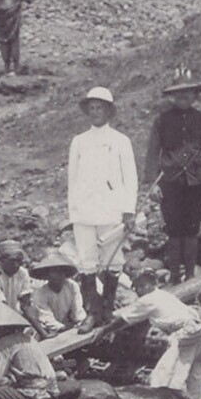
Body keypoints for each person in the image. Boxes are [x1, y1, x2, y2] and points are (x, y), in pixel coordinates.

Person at [67, 86, 140, 324]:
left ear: (109, 111)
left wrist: (128, 211)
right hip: (84, 211)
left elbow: (130, 178)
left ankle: (107, 309)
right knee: (87, 261)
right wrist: (74, 212)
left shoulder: (120, 141)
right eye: (92, 108)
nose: (95, 112)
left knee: (113, 259)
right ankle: (92, 313)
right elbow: (72, 180)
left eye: (100, 108)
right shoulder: (79, 141)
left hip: (111, 210)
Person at [147, 68, 201, 283]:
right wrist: (153, 184)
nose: (183, 97)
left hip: (197, 182)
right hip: (171, 182)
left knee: (192, 228)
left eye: (187, 92)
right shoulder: (162, 121)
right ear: (172, 96)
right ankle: (175, 276)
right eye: (179, 93)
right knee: (174, 229)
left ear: (194, 94)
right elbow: (153, 152)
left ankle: (190, 275)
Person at [111, 280, 201, 399]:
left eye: (138, 287)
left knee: (168, 381)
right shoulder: (165, 295)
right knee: (195, 384)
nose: (137, 291)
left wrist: (103, 330)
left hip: (185, 336)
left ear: (144, 286)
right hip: (199, 335)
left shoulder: (147, 300)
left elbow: (124, 319)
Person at [26, 250, 89, 335]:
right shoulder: (40, 294)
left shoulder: (72, 286)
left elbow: (77, 310)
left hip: (67, 325)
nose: (59, 275)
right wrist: (61, 328)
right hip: (45, 330)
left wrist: (81, 322)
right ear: (47, 275)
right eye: (54, 272)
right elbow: (46, 317)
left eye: (61, 271)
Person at [0, 241, 35, 317]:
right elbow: (0, 307)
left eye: (19, 260)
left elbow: (26, 304)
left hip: (13, 317)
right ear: (1, 259)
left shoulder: (23, 273)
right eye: (12, 261)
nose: (16, 265)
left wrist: (37, 324)